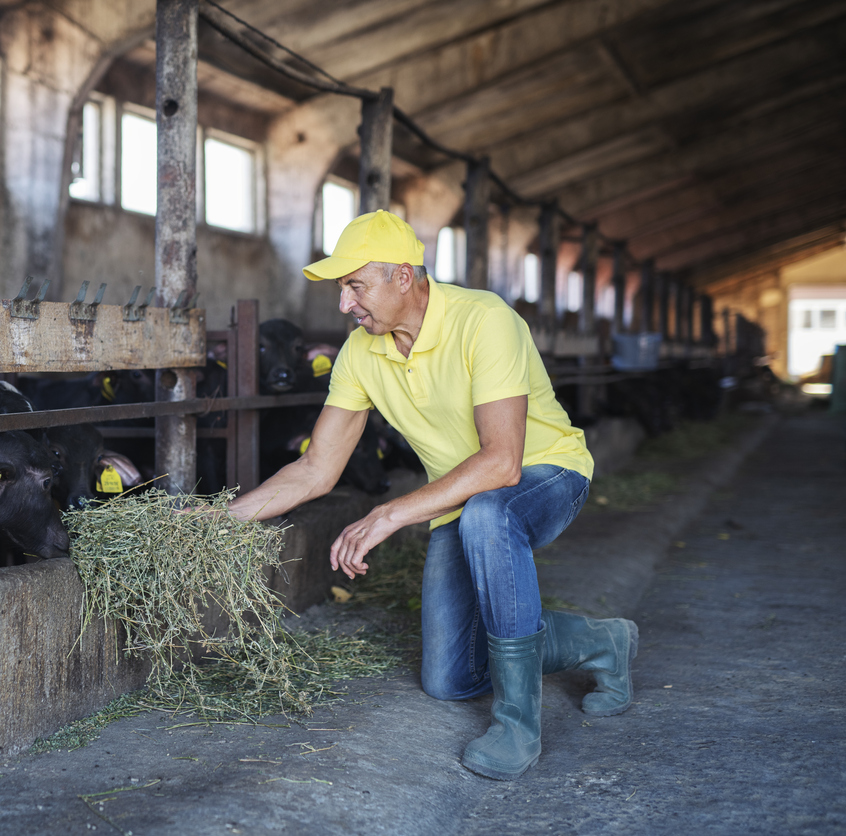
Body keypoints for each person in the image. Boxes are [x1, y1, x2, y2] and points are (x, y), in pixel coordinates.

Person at [228, 210, 637, 780]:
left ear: (403, 276)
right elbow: (317, 468)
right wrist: (222, 519)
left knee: (489, 515)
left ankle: (518, 724)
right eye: (341, 289)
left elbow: (502, 461)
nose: (344, 304)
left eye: (354, 286)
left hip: (545, 476)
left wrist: (391, 513)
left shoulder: (484, 321)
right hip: (460, 500)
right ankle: (601, 643)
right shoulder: (360, 354)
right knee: (449, 678)